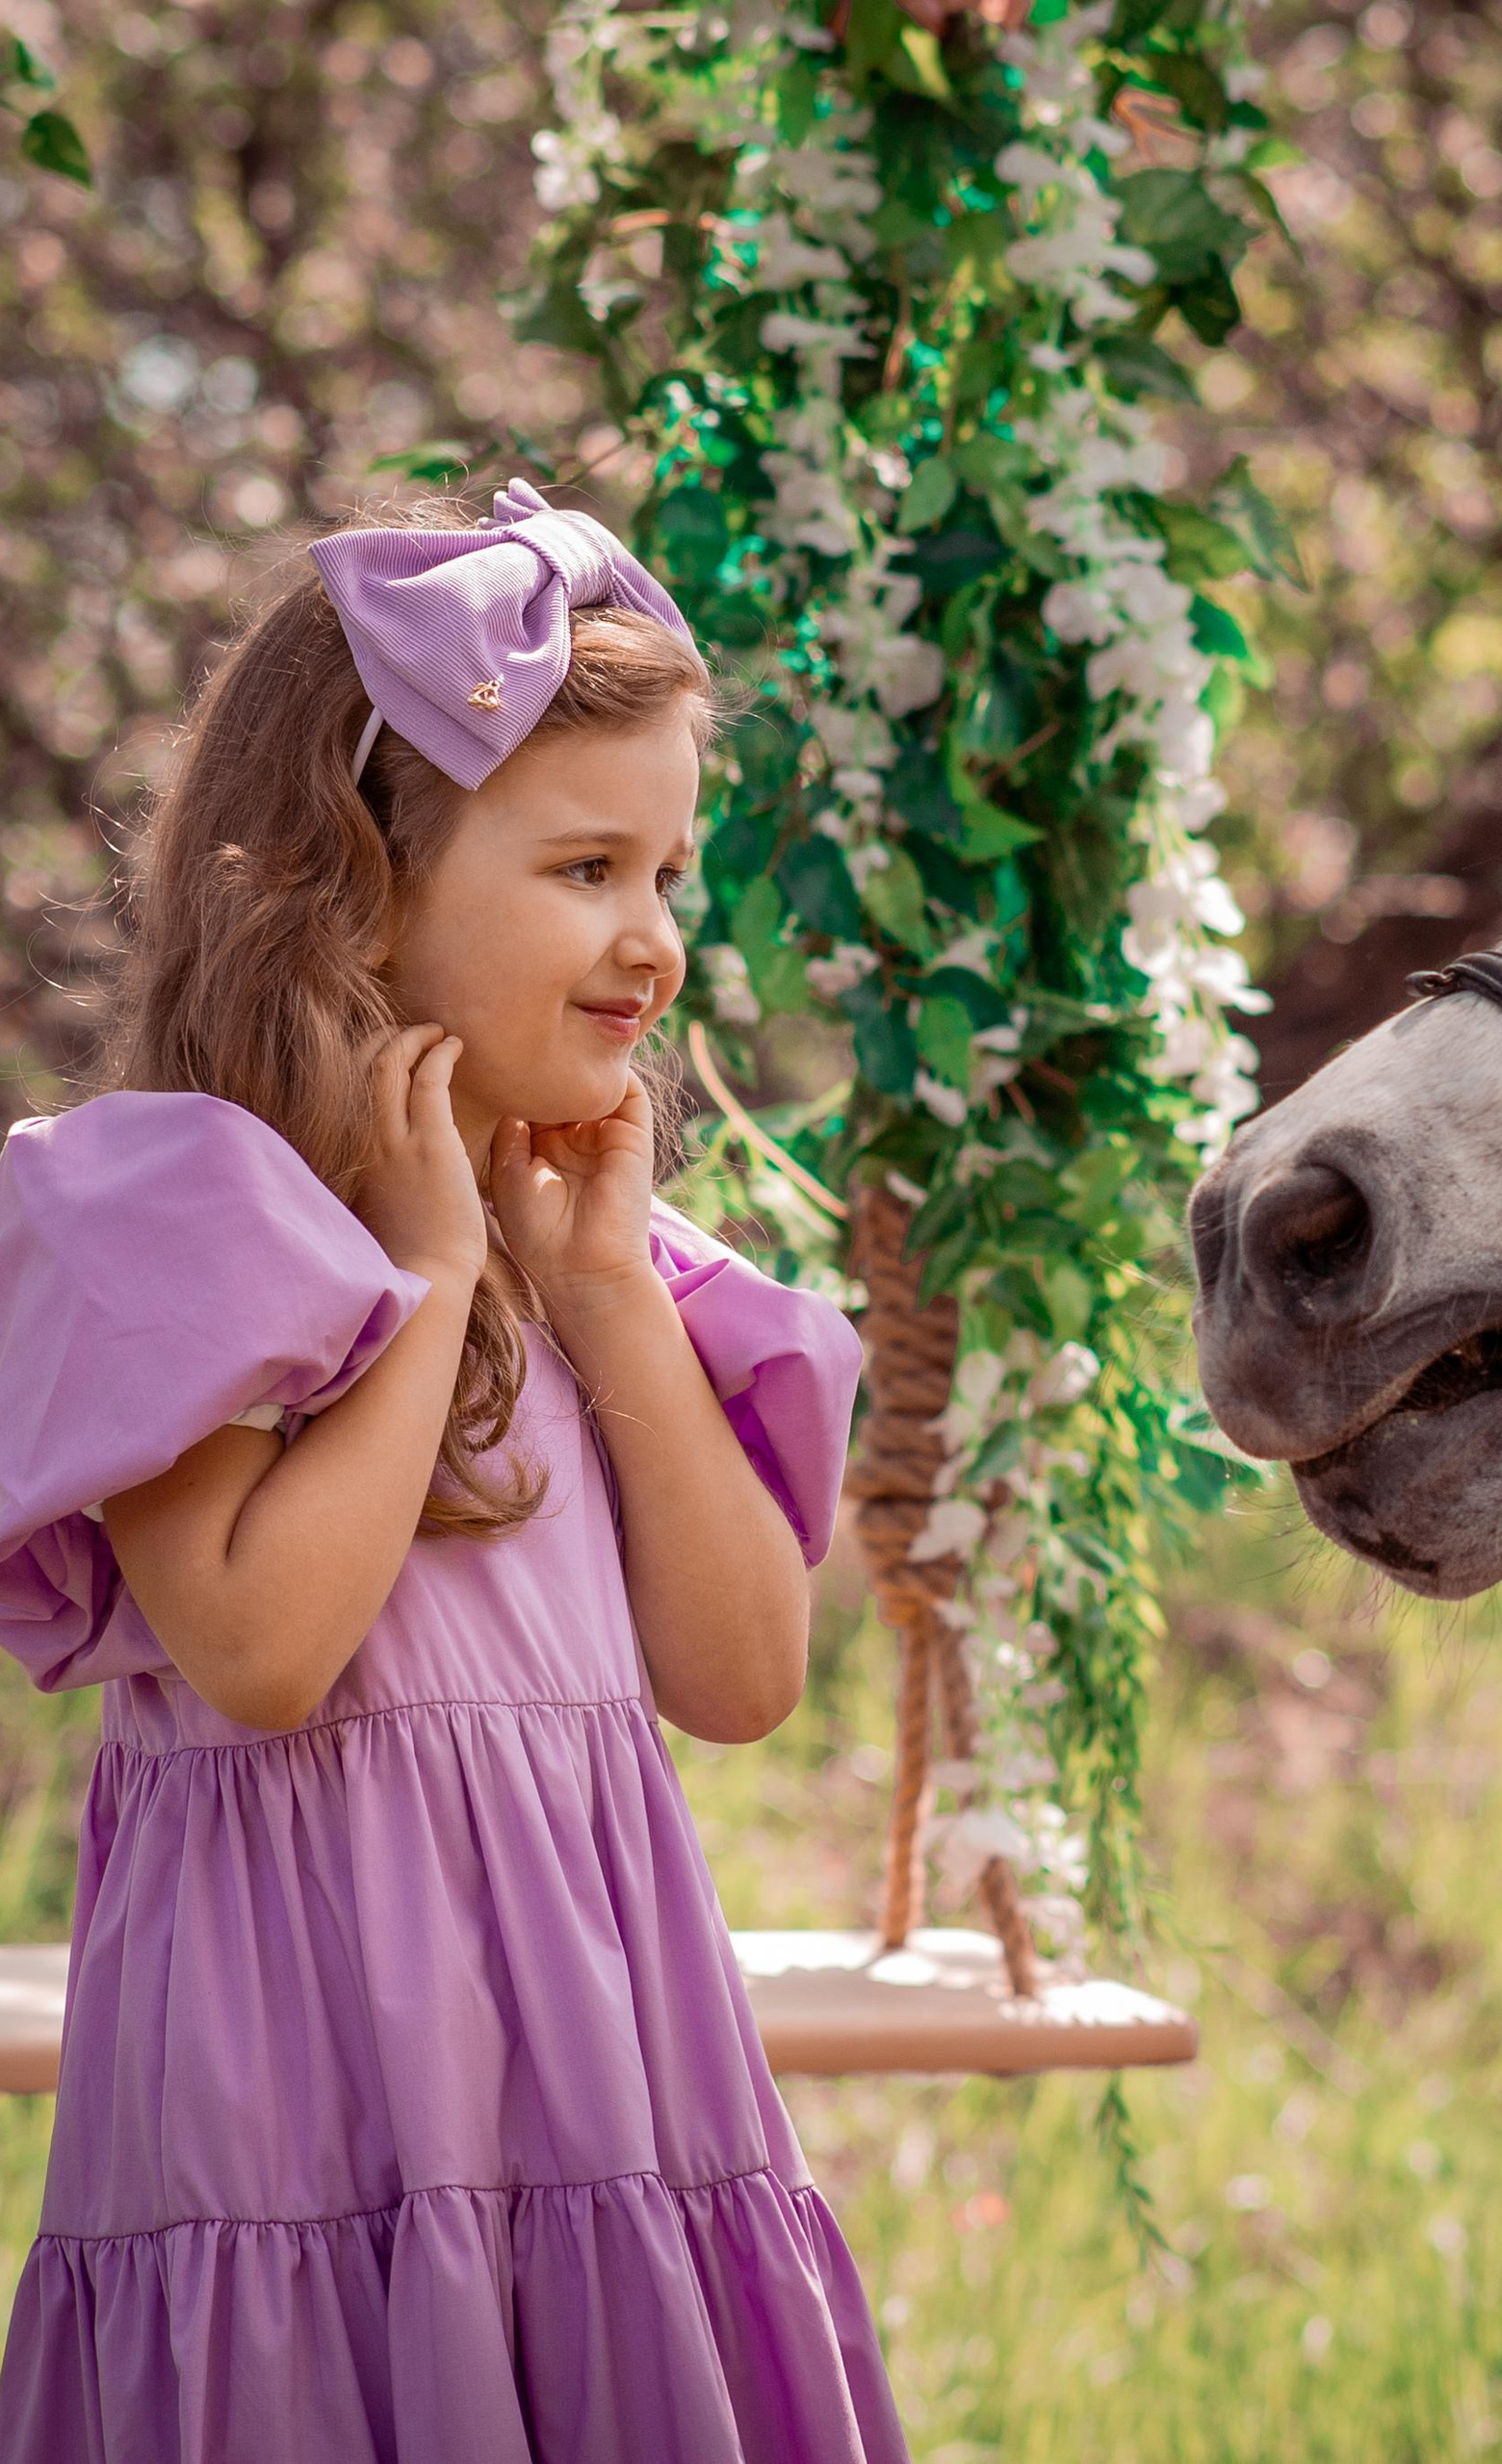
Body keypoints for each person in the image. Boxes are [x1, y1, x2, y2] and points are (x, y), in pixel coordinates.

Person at [0, 479, 907, 2461]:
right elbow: (255, 1648)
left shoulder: (616, 1260)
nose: (653, 938)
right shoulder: (189, 1217)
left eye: (671, 870)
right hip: (290, 2092)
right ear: (356, 879)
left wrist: (600, 1298)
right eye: (585, 866)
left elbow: (744, 1677)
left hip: (599, 2077)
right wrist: (422, 1283)